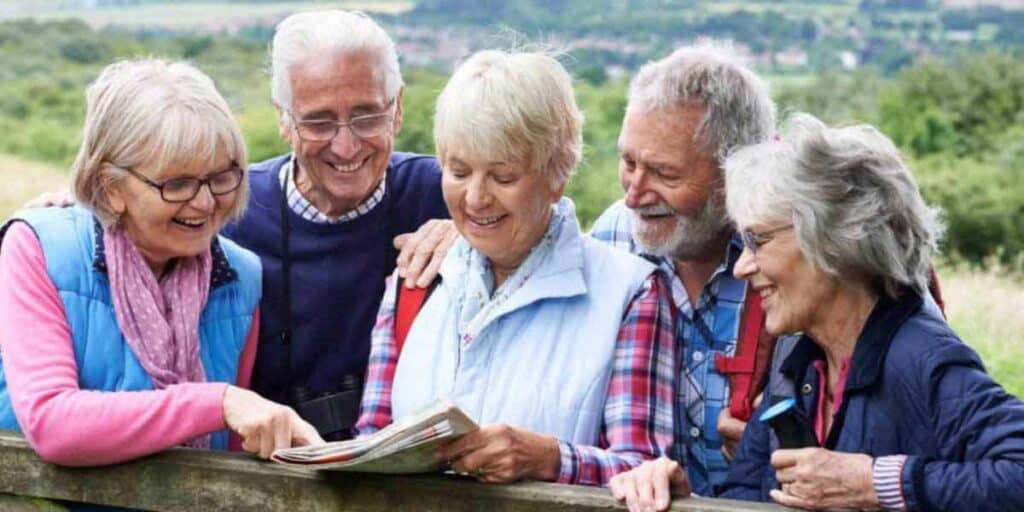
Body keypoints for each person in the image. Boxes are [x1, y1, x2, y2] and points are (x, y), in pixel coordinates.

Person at [354, 49, 676, 487]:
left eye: (502, 177)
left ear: (557, 174)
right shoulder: (414, 281)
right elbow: (370, 443)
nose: (475, 198)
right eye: (458, 171)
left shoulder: (630, 292)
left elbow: (644, 473)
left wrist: (550, 460)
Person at [0, 59, 322, 470]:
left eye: (222, 177)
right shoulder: (39, 248)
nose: (205, 202)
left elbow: (233, 448)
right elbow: (51, 423)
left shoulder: (240, 276)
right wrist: (217, 401)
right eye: (178, 184)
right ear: (111, 186)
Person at [715, 114, 1024, 511]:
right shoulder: (798, 364)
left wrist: (876, 483)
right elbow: (743, 494)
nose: (742, 267)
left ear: (832, 237)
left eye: (758, 240)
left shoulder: (921, 356)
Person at [219, 10, 451, 440]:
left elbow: (544, 224)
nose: (346, 146)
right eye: (319, 121)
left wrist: (475, 235)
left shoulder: (449, 194)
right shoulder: (232, 208)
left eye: (366, 116)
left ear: (397, 108)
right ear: (284, 120)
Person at [595, 43, 778, 500]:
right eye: (628, 162)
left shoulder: (790, 258)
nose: (635, 194)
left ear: (734, 175)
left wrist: (772, 448)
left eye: (663, 174)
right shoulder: (612, 237)